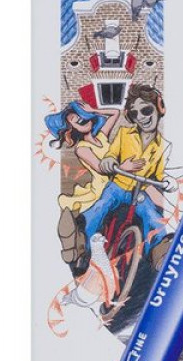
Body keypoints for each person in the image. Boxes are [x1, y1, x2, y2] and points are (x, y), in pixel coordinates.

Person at [62, 84, 173, 271]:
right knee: (101, 206)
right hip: (118, 186)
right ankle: (81, 242)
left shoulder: (163, 145)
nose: (141, 118)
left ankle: (159, 251)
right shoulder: (124, 134)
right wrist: (111, 162)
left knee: (151, 215)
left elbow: (161, 175)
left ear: (159, 108)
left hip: (140, 191)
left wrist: (167, 184)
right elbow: (111, 155)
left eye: (146, 111)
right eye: (135, 114)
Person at [46, 101, 113, 269]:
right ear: (71, 129)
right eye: (75, 121)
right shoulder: (82, 148)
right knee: (94, 221)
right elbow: (101, 168)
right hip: (101, 189)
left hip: (118, 183)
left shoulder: (102, 137)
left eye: (82, 116)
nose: (81, 120)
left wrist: (94, 109)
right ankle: (86, 253)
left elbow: (116, 114)